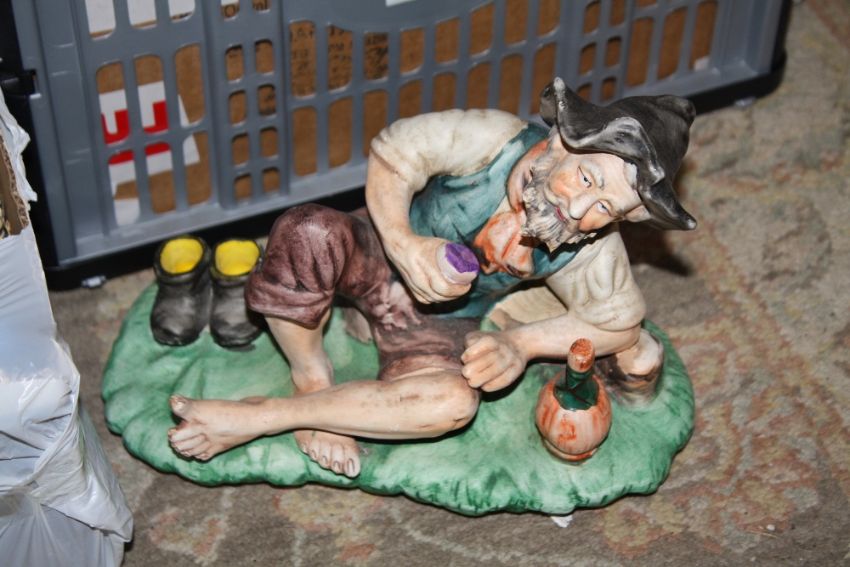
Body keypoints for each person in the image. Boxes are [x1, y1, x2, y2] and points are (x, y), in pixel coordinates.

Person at [167, 78, 697, 478]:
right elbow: (395, 152)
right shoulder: (494, 140)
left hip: (440, 324)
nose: (579, 208)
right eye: (585, 178)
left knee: (453, 403)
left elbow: (620, 322)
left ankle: (266, 417)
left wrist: (520, 345)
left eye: (605, 207)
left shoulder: (589, 245)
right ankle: (311, 373)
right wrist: (403, 242)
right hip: (377, 253)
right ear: (564, 141)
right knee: (307, 231)